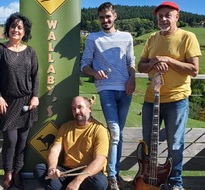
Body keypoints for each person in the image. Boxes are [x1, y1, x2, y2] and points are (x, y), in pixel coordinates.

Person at [137, 1, 202, 190]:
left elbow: (194, 70)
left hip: (177, 100)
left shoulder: (187, 37)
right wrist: (153, 64)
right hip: (151, 100)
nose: (163, 18)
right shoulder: (151, 38)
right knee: (148, 144)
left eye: (168, 15)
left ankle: (175, 183)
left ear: (177, 17)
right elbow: (141, 66)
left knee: (175, 145)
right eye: (160, 16)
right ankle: (149, 181)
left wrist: (168, 60)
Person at [80, 2, 135, 190]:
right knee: (115, 131)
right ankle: (111, 177)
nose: (105, 20)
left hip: (126, 89)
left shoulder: (127, 37)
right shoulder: (93, 39)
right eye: (102, 17)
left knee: (117, 133)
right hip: (105, 89)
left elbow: (130, 62)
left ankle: (115, 173)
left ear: (115, 16)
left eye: (108, 16)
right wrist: (94, 72)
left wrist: (132, 79)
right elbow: (84, 65)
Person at [0, 12, 39, 189]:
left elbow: (35, 76)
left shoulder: (31, 52)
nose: (15, 30)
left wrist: (35, 96)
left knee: (22, 142)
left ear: (24, 32)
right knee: (10, 140)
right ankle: (8, 173)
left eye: (19, 27)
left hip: (26, 102)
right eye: (13, 26)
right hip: (6, 102)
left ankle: (18, 174)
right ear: (8, 29)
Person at [34, 96, 110, 190]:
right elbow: (55, 150)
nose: (76, 112)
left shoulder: (99, 129)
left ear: (89, 108)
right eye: (73, 108)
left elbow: (99, 161)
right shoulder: (66, 127)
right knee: (40, 169)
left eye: (79, 107)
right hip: (67, 172)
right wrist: (52, 169)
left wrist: (77, 181)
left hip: (87, 174)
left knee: (100, 183)